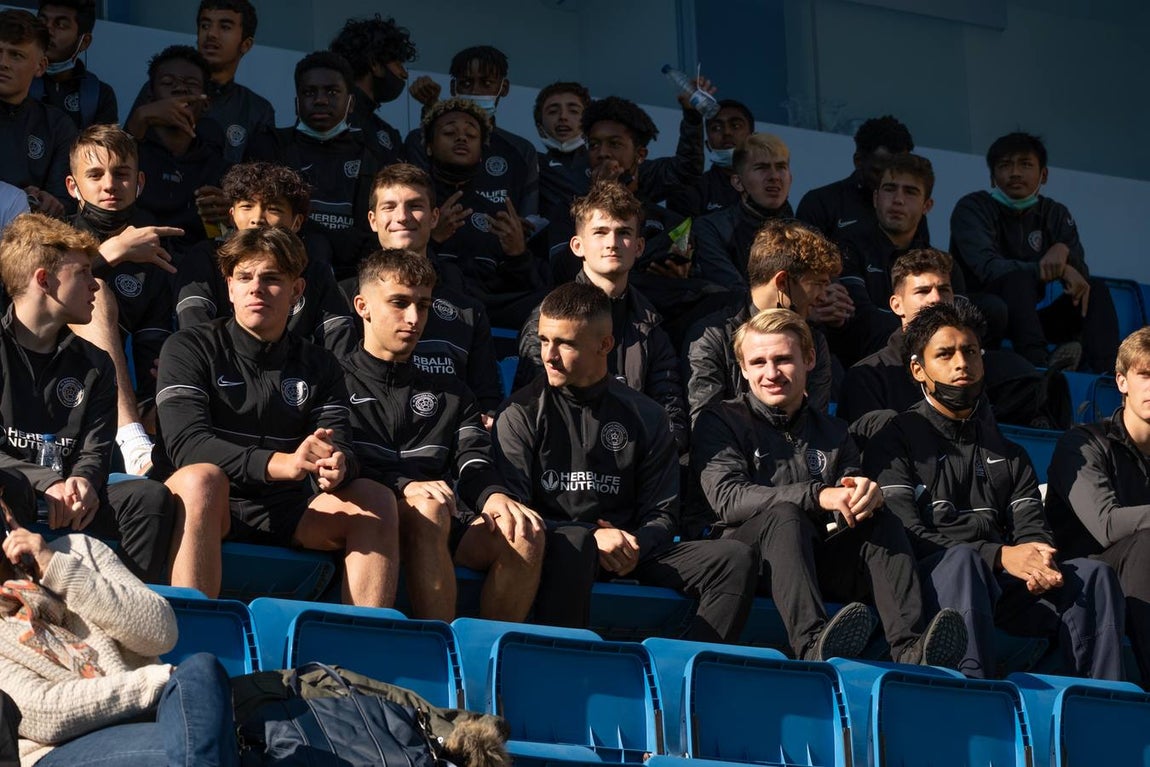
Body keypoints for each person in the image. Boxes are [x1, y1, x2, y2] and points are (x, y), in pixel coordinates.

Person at [864, 300, 1125, 679]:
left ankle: (1100, 706)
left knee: (1092, 575)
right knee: (964, 564)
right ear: (918, 369)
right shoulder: (895, 439)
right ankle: (972, 700)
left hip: (997, 586)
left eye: (970, 352)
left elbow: (1033, 528)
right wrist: (999, 555)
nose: (961, 363)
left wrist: (1038, 561)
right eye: (945, 354)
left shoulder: (1010, 452)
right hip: (927, 585)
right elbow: (902, 535)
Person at [691, 307, 966, 664]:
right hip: (747, 559)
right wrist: (817, 494)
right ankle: (813, 645)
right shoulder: (720, 420)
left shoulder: (834, 431)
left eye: (783, 359)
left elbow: (846, 495)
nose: (771, 373)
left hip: (814, 557)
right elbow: (728, 499)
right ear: (743, 369)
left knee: (880, 522)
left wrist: (864, 495)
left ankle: (910, 649)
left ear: (809, 359)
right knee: (785, 516)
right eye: (758, 362)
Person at [493, 282, 756, 640]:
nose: (548, 355)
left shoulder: (645, 414)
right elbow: (517, 514)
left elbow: (663, 515)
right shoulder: (520, 412)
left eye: (565, 343)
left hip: (631, 548)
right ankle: (562, 661)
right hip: (560, 547)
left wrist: (635, 545)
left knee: (734, 559)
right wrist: (593, 536)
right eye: (543, 340)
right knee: (575, 544)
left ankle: (677, 672)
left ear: (605, 345)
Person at [152, 226, 399, 606]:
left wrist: (338, 464)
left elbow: (341, 442)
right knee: (203, 479)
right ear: (230, 287)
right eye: (245, 277)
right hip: (206, 504)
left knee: (377, 500)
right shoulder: (189, 347)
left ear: (296, 291)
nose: (256, 288)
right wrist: (281, 464)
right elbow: (187, 446)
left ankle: (358, 644)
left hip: (287, 508)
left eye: (271, 279)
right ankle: (192, 636)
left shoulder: (319, 363)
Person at [344, 248, 544, 622]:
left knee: (524, 530)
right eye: (399, 303)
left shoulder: (452, 391)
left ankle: (484, 663)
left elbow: (474, 460)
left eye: (423, 305)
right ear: (362, 306)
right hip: (363, 519)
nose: (414, 318)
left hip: (441, 525)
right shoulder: (332, 380)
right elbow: (338, 462)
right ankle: (442, 654)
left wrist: (494, 496)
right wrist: (403, 485)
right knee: (430, 508)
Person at [0, 213, 175, 584]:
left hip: (69, 500)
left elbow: (95, 450)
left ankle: (118, 617)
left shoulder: (96, 363)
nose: (95, 285)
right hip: (15, 492)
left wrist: (84, 480)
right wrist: (45, 482)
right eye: (82, 273)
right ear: (43, 281)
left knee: (148, 499)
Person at [0, 497, 238, 766]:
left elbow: (161, 632)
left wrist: (58, 569)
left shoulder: (78, 551)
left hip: (156, 717)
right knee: (199, 745)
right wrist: (152, 682)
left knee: (201, 671)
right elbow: (42, 713)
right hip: (59, 749)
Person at [515, 182, 689, 454]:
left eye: (623, 233)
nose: (612, 243)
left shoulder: (651, 323)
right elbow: (534, 411)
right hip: (566, 468)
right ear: (577, 246)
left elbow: (670, 414)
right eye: (600, 232)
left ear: (640, 246)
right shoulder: (547, 318)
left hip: (637, 465)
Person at [838, 249, 1071, 442]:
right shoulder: (868, 376)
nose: (936, 299)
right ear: (897, 305)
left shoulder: (972, 369)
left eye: (944, 289)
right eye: (922, 291)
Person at [949, 131, 1119, 373]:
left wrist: (1065, 254)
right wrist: (1046, 268)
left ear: (1044, 174)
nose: (1015, 173)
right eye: (1005, 165)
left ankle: (1108, 376)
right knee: (1017, 281)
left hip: (1028, 318)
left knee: (1096, 289)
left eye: (1025, 165)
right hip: (983, 314)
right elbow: (989, 269)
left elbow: (1079, 276)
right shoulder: (972, 208)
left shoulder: (1055, 213)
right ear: (992, 176)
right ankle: (1038, 366)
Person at [65, 124, 182, 475]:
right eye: (95, 174)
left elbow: (153, 339)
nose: (109, 185)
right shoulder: (52, 232)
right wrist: (113, 252)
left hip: (121, 393)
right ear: (73, 187)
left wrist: (155, 402)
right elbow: (41, 299)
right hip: (52, 374)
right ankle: (130, 439)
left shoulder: (155, 254)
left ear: (140, 183)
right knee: (94, 291)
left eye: (121, 174)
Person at [1046, 326, 1150, 682]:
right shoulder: (1083, 444)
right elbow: (1105, 524)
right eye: (1145, 375)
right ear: (1122, 382)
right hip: (1083, 578)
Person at [174, 161, 357, 357]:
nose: (257, 218)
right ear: (231, 216)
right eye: (247, 206)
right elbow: (195, 336)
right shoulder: (205, 258)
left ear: (297, 222)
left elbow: (340, 350)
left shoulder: (316, 272)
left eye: (274, 209)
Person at [365, 163, 504, 416]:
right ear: (373, 220)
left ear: (435, 217)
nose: (402, 217)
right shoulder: (345, 297)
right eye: (389, 207)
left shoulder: (468, 310)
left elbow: (487, 400)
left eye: (415, 206)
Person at [246, 50, 386, 281]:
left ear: (351, 103)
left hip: (356, 276)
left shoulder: (373, 156)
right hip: (282, 271)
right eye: (310, 92)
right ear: (296, 103)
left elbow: (373, 230)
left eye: (332, 92)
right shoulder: (269, 147)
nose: (320, 100)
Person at [683, 219, 839, 425]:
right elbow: (707, 428)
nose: (823, 297)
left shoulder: (815, 341)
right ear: (782, 282)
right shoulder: (712, 337)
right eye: (818, 284)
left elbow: (815, 427)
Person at [417, 98, 547, 327]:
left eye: (471, 134)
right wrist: (432, 239)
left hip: (486, 312)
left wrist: (518, 254)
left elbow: (520, 285)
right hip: (430, 304)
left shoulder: (496, 213)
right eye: (449, 132)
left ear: (481, 153)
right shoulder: (414, 204)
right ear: (428, 146)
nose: (461, 137)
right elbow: (395, 268)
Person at [126, 0, 273, 164]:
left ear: (246, 45)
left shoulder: (257, 109)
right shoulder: (161, 89)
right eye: (205, 25)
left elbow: (259, 180)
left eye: (224, 27)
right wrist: (141, 117)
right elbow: (121, 155)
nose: (211, 34)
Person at [406, 45, 540, 219]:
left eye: (486, 83)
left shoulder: (521, 150)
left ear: (504, 87)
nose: (475, 91)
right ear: (454, 87)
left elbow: (527, 220)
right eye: (466, 83)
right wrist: (432, 110)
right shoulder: (419, 140)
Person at [832, 152, 934, 364]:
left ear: (927, 206)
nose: (898, 200)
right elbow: (861, 322)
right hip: (862, 365)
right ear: (875, 198)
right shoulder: (846, 248)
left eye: (910, 192)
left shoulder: (939, 264)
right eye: (890, 189)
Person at [134, 45, 231, 248]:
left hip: (191, 272)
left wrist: (224, 221)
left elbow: (220, 238)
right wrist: (141, 116)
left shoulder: (217, 169)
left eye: (191, 83)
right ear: (151, 97)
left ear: (206, 104)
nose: (180, 89)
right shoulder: (131, 151)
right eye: (168, 83)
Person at [691, 132, 794, 291]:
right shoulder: (711, 228)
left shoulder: (806, 233)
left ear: (791, 178)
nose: (774, 176)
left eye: (781, 167)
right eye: (762, 168)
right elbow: (734, 291)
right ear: (738, 182)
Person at [0, 9, 76, 218]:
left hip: (27, 243)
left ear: (40, 66)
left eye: (16, 55)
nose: (3, 63)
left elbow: (66, 202)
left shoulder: (56, 125)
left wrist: (47, 202)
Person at [328, 13, 414, 165]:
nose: (404, 74)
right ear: (374, 64)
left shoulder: (388, 133)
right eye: (398, 64)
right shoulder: (325, 120)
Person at [32, 0, 117, 129]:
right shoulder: (14, 77)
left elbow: (104, 147)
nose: (47, 31)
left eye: (60, 25)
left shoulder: (99, 95)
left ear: (84, 42)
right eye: (41, 22)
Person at [668, 99, 755, 217]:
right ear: (707, 145)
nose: (727, 132)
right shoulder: (690, 191)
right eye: (716, 128)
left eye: (735, 125)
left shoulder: (770, 186)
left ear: (754, 140)